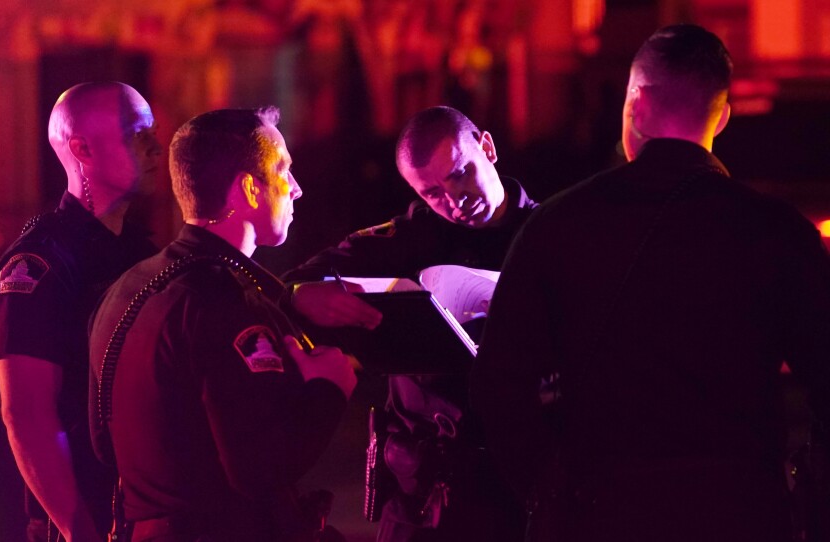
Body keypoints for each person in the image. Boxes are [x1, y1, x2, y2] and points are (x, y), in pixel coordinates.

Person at [471, 24, 830, 542]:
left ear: (635, 104)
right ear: (722, 116)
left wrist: (544, 490)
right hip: (740, 510)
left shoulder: (558, 225)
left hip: (597, 509)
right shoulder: (775, 231)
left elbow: (499, 383)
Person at [88, 107, 357, 542]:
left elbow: (103, 444)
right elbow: (259, 468)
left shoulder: (125, 290)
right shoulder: (227, 302)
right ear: (250, 189)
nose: (297, 189)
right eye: (283, 170)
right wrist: (328, 388)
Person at [284, 105, 533, 542]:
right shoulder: (408, 240)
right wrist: (302, 294)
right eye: (432, 193)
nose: (454, 201)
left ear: (487, 147)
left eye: (458, 174)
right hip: (429, 497)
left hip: (523, 485)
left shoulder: (551, 235)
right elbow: (293, 282)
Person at [0, 82, 161, 542]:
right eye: (135, 132)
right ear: (82, 148)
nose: (155, 146)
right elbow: (26, 414)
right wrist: (77, 529)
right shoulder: (41, 263)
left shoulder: (141, 252)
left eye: (152, 131)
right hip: (86, 518)